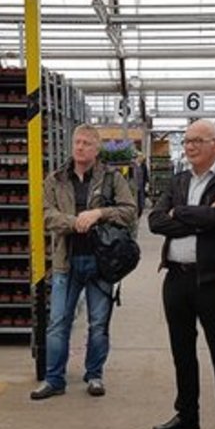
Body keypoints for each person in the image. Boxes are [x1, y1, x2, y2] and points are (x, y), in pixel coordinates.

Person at [149, 119, 215, 429]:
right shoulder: (178, 180)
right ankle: (187, 414)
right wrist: (199, 217)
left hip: (210, 279)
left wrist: (180, 213)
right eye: (187, 140)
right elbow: (155, 221)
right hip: (176, 277)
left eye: (197, 141)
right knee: (182, 349)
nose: (189, 146)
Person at [31, 124, 137, 401]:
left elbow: (129, 211)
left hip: (101, 261)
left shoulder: (112, 178)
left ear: (97, 148)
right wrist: (74, 221)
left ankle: (94, 375)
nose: (80, 147)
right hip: (66, 262)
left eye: (87, 143)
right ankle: (54, 379)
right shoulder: (56, 179)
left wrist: (99, 213)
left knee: (98, 323)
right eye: (77, 142)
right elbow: (46, 214)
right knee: (58, 323)